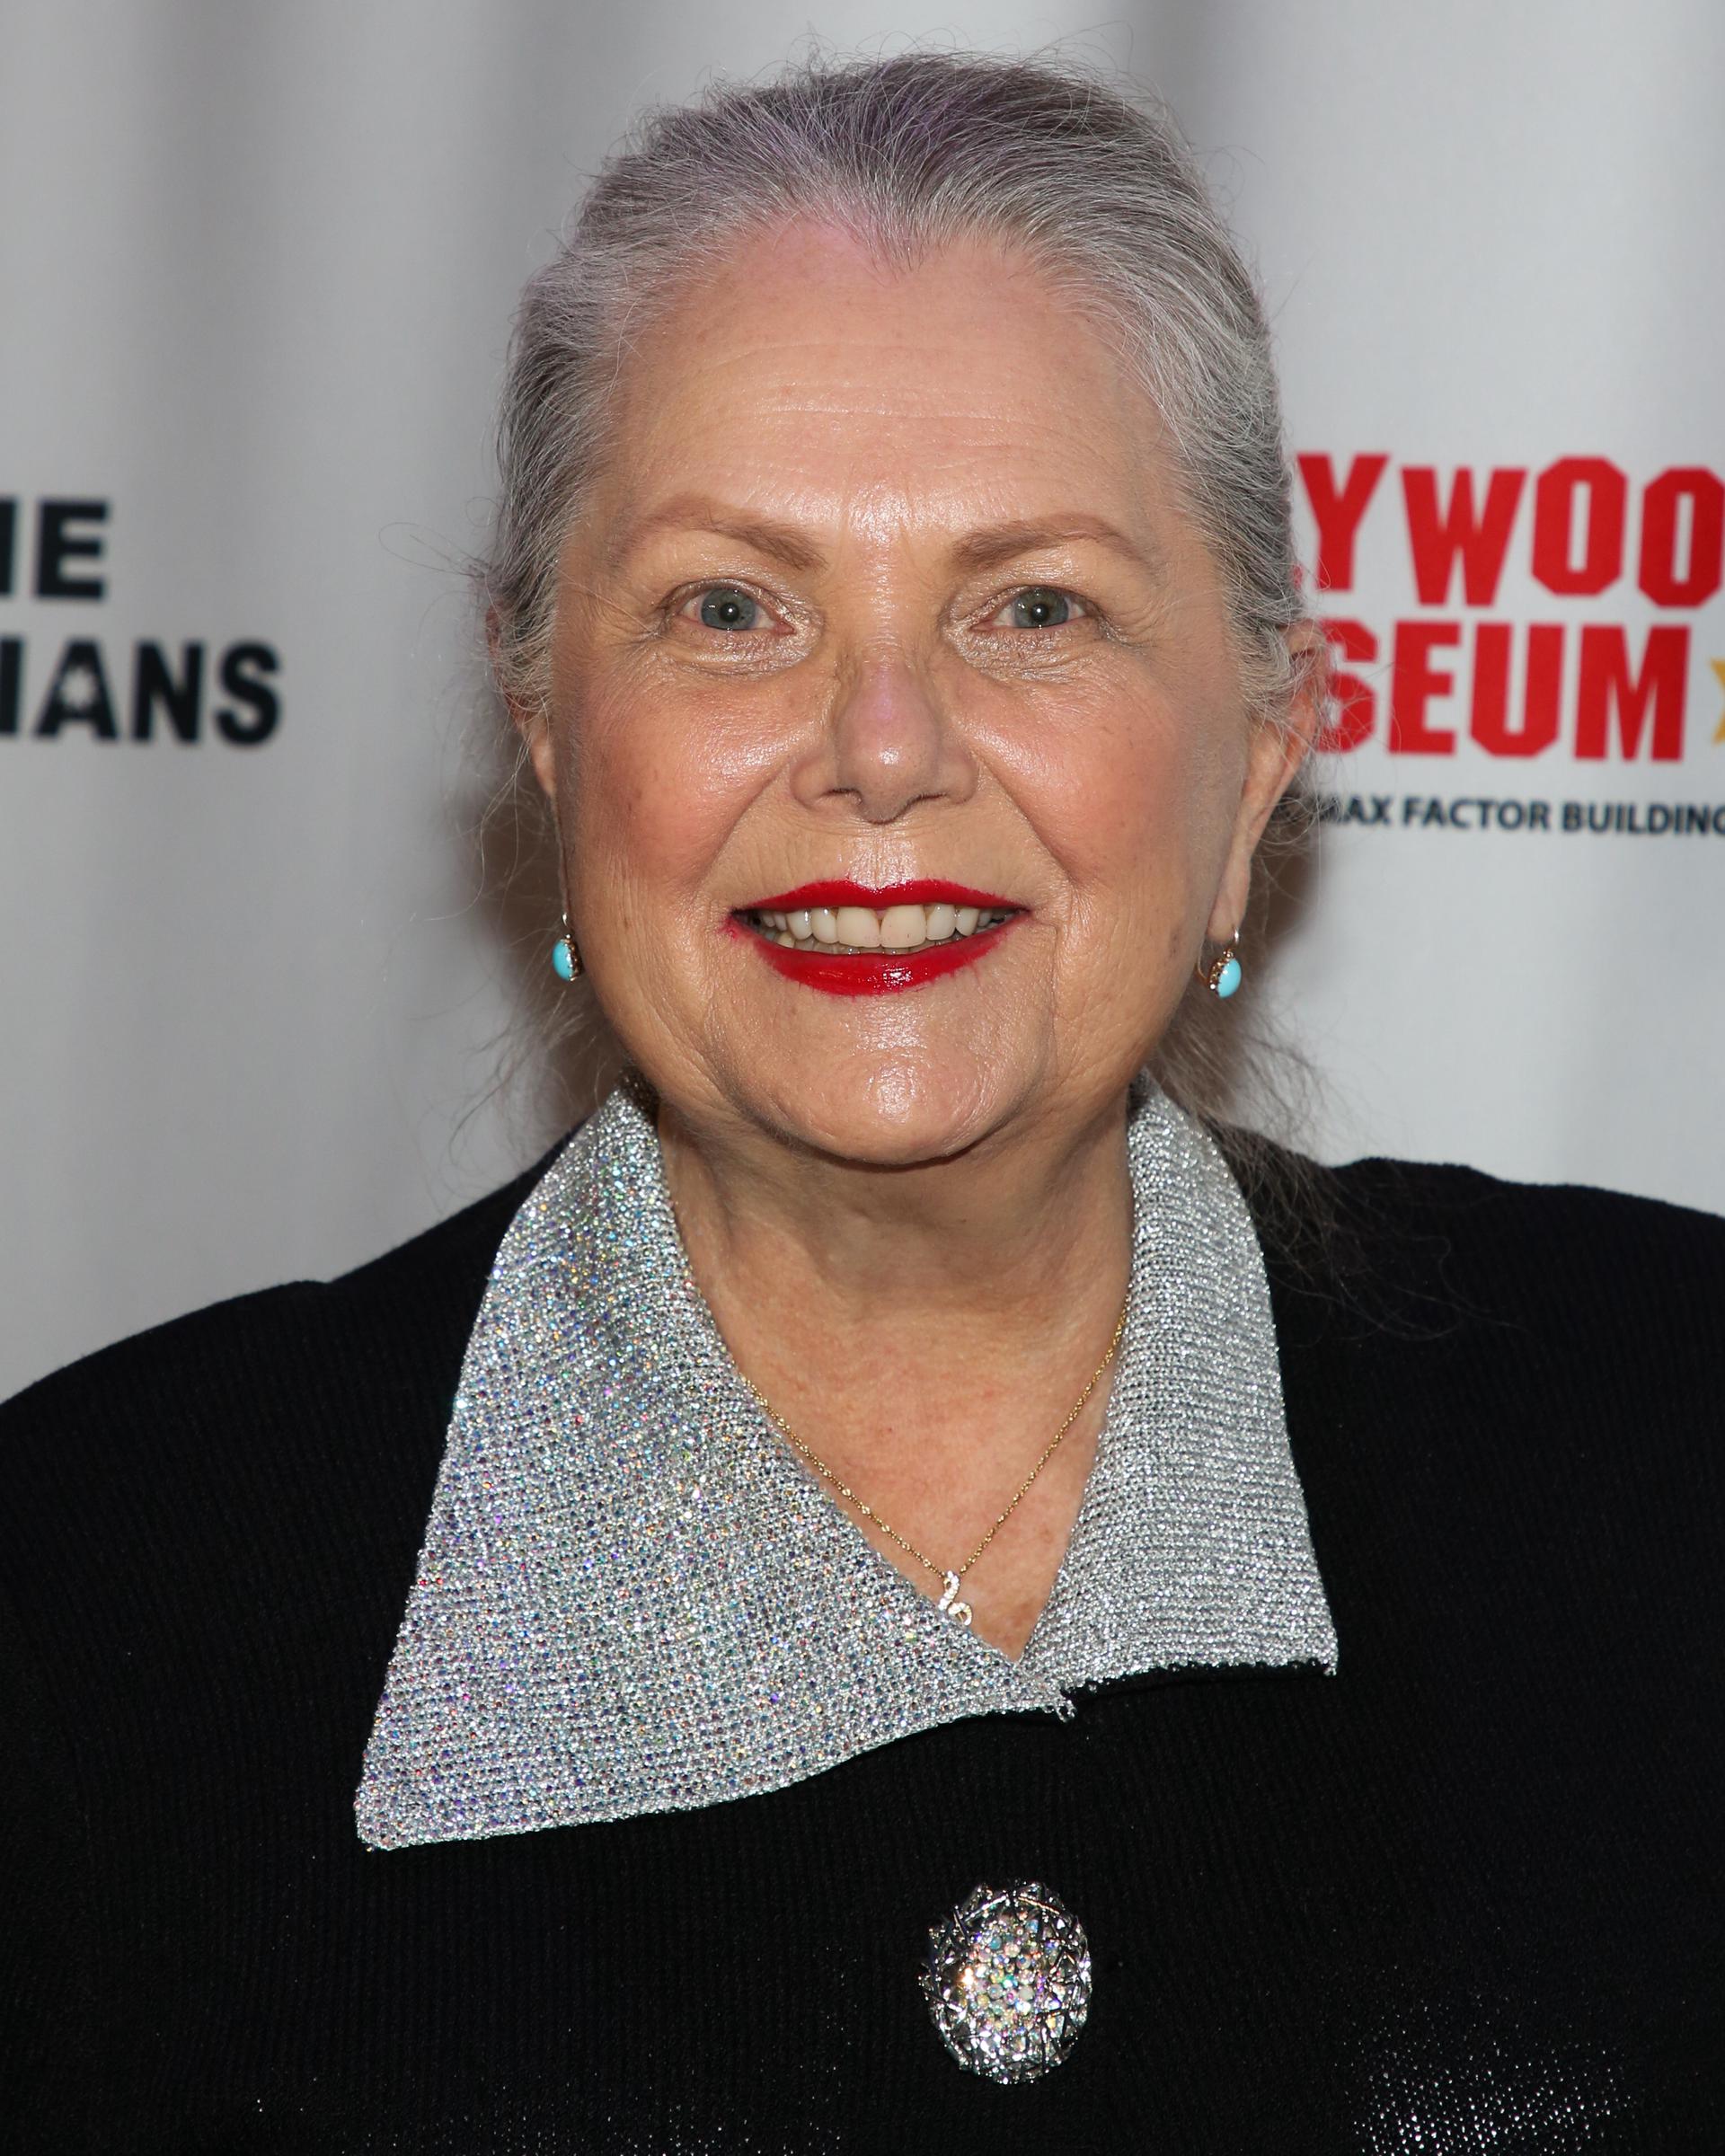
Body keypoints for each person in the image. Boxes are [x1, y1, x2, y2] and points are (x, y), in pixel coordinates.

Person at [4, 48, 1721, 2154]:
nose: (884, 749)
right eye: (733, 609)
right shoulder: (91, 1603)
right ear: (545, 722)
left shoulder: (1675, 1434)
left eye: (1036, 608)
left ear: (1265, 741)